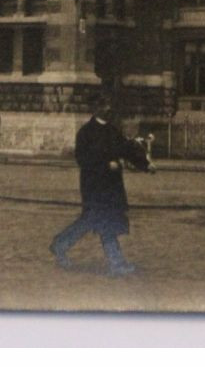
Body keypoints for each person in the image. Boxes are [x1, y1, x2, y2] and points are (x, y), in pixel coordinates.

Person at [49, 95, 153, 277]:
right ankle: (116, 264)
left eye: (109, 105)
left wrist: (145, 165)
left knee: (92, 222)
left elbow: (126, 150)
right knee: (105, 224)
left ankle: (60, 245)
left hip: (112, 187)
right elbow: (83, 159)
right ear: (95, 109)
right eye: (104, 106)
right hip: (94, 187)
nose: (108, 109)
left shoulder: (113, 130)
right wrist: (106, 165)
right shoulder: (85, 133)